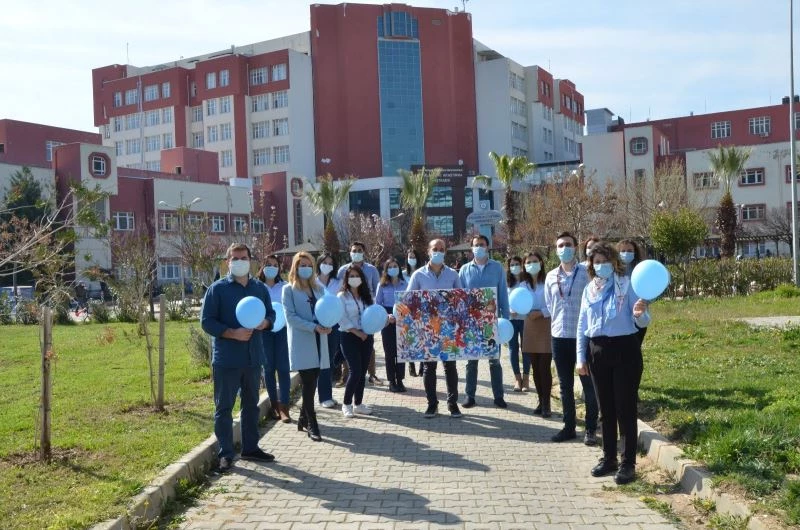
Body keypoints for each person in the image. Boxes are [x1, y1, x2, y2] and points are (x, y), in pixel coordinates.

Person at [576, 241, 650, 485]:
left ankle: (628, 463)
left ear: (615, 262)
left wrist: (641, 314)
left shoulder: (627, 285)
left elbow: (641, 319)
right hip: (598, 351)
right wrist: (581, 357)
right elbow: (582, 326)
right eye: (596, 262)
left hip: (625, 349)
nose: (601, 266)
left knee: (624, 409)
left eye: (605, 261)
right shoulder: (590, 289)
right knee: (605, 408)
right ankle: (609, 458)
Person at [201, 243, 276, 472]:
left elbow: (271, 313)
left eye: (243, 258)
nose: (239, 262)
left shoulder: (259, 288)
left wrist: (265, 322)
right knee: (224, 408)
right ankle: (225, 454)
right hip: (227, 359)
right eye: (235, 258)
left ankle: (251, 447)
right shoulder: (217, 289)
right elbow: (207, 321)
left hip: (253, 358)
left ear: (251, 260)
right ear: (227, 261)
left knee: (251, 405)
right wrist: (231, 333)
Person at [542, 231, 599, 445]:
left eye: (568, 244)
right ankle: (569, 427)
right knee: (565, 386)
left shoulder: (587, 272)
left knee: (589, 385)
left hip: (583, 337)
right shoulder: (550, 276)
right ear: (556, 250)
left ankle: (591, 429)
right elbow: (550, 305)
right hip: (559, 337)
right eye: (560, 245)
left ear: (576, 247)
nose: (564, 248)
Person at [407, 239, 463, 419]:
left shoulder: (453, 275)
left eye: (441, 249)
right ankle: (432, 404)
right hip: (427, 330)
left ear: (445, 252)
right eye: (435, 249)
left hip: (448, 329)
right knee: (429, 368)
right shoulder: (418, 275)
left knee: (450, 367)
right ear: (428, 251)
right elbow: (408, 300)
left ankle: (453, 404)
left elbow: (461, 299)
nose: (438, 252)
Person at [283, 251, 331, 442]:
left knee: (313, 381)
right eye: (301, 265)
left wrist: (327, 323)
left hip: (320, 340)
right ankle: (312, 423)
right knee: (309, 383)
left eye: (308, 265)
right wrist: (314, 327)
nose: (305, 268)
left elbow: (328, 308)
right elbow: (291, 317)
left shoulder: (318, 288)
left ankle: (303, 418)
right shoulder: (289, 289)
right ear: (295, 267)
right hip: (303, 341)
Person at [460, 234, 510, 409]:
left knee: (494, 361)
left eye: (482, 244)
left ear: (487, 247)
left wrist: (505, 320)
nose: (479, 248)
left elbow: (503, 293)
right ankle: (469, 396)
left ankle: (498, 396)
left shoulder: (497, 268)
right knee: (471, 361)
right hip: (472, 323)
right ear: (471, 248)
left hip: (492, 322)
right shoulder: (464, 270)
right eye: (476, 245)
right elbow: (460, 297)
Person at [337, 241, 382, 385]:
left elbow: (377, 289)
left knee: (369, 343)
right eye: (354, 250)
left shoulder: (372, 270)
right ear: (350, 252)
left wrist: (375, 311)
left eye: (359, 250)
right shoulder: (343, 270)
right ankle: (346, 376)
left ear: (364, 252)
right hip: (349, 312)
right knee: (348, 346)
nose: (356, 252)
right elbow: (340, 290)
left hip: (367, 312)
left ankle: (372, 374)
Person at [337, 265, 376, 417]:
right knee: (355, 370)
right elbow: (342, 318)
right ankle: (346, 404)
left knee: (362, 371)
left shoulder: (367, 296)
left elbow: (373, 314)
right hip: (349, 336)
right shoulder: (342, 296)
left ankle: (358, 404)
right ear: (347, 279)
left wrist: (386, 319)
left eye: (357, 276)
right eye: (351, 276)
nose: (354, 279)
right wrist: (357, 332)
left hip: (367, 337)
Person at [258, 254, 292, 423]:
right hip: (264, 332)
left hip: (282, 332)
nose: (271, 267)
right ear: (262, 267)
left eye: (274, 264)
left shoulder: (285, 286)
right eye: (268, 264)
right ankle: (274, 406)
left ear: (279, 268)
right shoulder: (257, 287)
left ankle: (285, 406)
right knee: (269, 369)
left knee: (284, 369)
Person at [521, 251, 553, 417]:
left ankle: (547, 404)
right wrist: (525, 312)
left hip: (545, 323)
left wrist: (541, 312)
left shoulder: (548, 281)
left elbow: (554, 303)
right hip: (530, 325)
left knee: (544, 367)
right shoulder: (522, 285)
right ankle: (540, 401)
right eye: (528, 262)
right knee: (535, 367)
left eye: (535, 261)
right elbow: (517, 304)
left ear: (540, 263)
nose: (532, 264)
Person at [375, 257, 408, 392]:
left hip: (402, 318)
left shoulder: (404, 283)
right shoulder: (382, 285)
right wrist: (387, 316)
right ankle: (391, 381)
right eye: (390, 267)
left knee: (401, 351)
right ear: (386, 270)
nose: (393, 269)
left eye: (395, 266)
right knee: (390, 352)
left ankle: (400, 379)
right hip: (387, 318)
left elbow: (409, 301)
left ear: (399, 268)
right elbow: (377, 304)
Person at [315, 253, 341, 409]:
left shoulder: (337, 283)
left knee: (330, 360)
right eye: (325, 262)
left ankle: (328, 395)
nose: (327, 265)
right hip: (317, 326)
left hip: (334, 326)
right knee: (321, 362)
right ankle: (323, 396)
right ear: (319, 263)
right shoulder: (312, 283)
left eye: (331, 263)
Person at [506, 255, 532, 392]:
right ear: (509, 267)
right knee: (513, 349)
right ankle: (517, 378)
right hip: (511, 321)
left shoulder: (527, 281)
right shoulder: (506, 282)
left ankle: (526, 378)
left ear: (522, 266)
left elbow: (531, 299)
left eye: (517, 264)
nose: (515, 267)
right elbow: (502, 301)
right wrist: (509, 310)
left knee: (526, 348)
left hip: (525, 319)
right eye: (512, 265)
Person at [405, 248, 424, 377]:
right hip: (407, 311)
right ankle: (411, 365)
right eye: (410, 257)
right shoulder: (402, 274)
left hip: (421, 311)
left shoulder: (422, 273)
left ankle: (423, 365)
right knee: (410, 338)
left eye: (414, 257)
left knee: (423, 337)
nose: (412, 259)